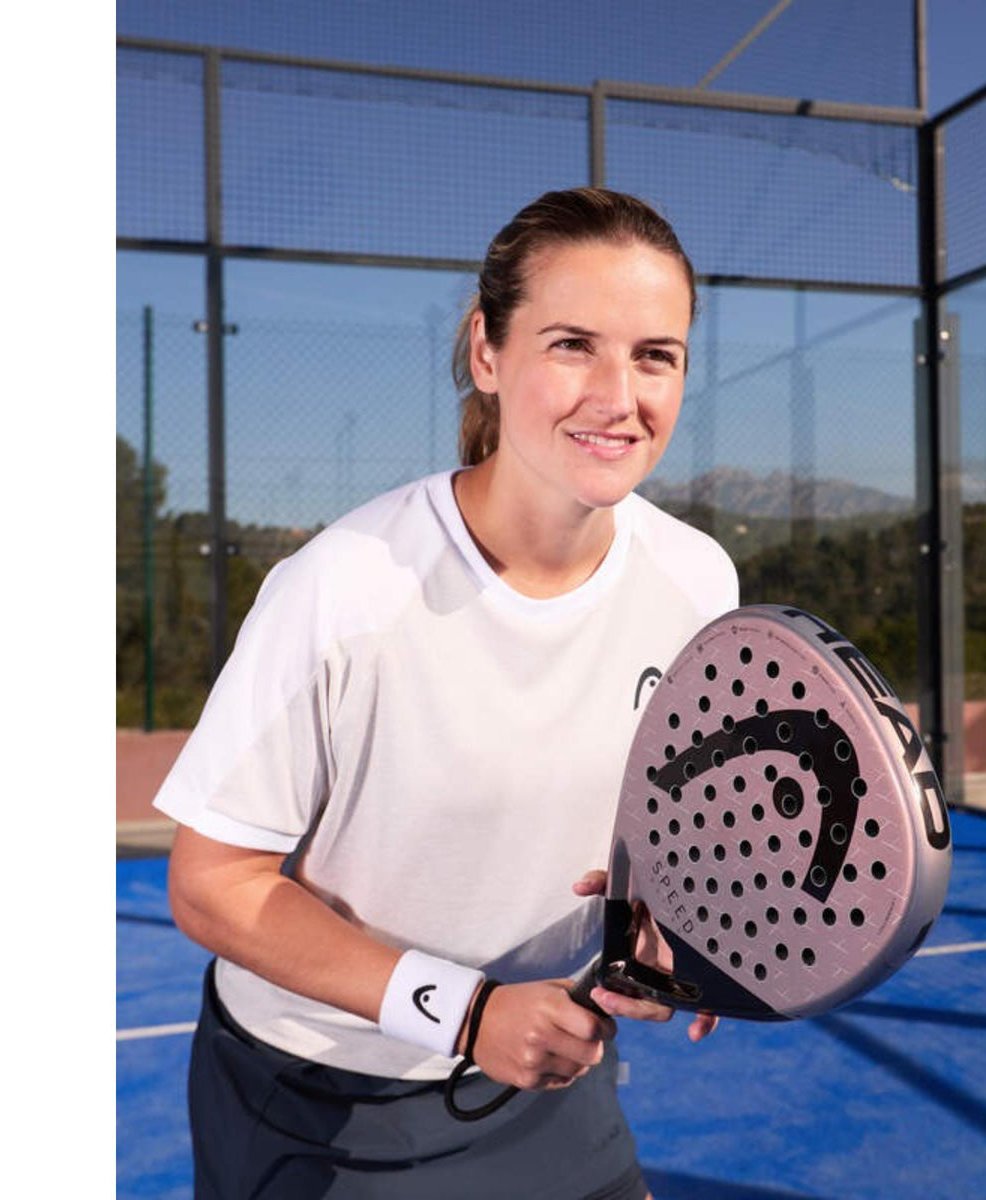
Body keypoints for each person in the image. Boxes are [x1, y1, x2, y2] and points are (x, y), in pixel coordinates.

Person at [156, 187, 740, 1199]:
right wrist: (465, 1013)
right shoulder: (340, 588)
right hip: (318, 1105)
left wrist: (659, 920)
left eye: (656, 354)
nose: (619, 393)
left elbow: (646, 811)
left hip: (552, 1076)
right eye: (571, 344)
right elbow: (214, 883)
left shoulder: (700, 582)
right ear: (486, 351)